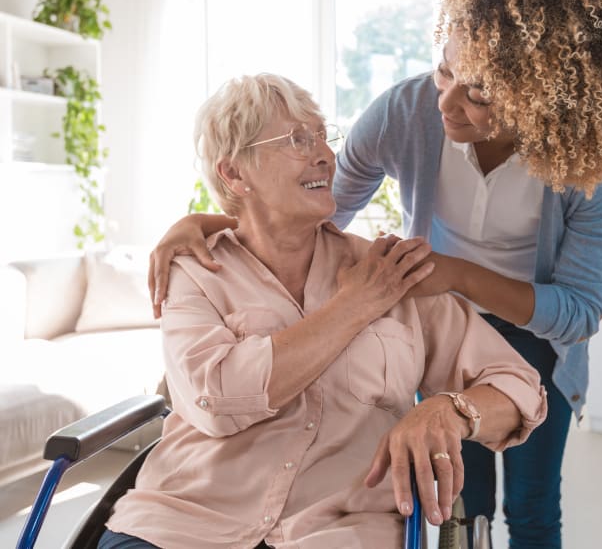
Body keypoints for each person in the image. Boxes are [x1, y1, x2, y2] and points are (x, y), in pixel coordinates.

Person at [148, 0, 602, 549]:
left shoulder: (590, 162)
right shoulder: (406, 111)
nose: (446, 104)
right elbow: (315, 215)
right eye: (444, 70)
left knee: (531, 508)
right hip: (429, 320)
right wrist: (218, 220)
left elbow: (579, 311)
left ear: (543, 104)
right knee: (455, 504)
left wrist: (457, 275)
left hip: (534, 334)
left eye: (479, 97)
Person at [101, 74, 547, 549]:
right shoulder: (194, 270)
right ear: (234, 174)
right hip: (183, 523)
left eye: (322, 135)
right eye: (297, 139)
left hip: (337, 532)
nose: (325, 154)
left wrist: (451, 410)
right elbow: (219, 399)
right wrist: (354, 306)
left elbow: (521, 388)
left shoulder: (391, 271)